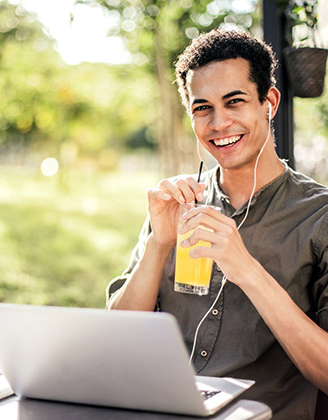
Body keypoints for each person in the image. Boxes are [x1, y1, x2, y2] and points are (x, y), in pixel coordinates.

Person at [106, 29, 328, 420]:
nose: (219, 122)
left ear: (268, 103)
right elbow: (114, 340)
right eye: (202, 107)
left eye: (234, 101)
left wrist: (247, 270)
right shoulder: (176, 205)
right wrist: (159, 245)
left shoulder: (319, 217)